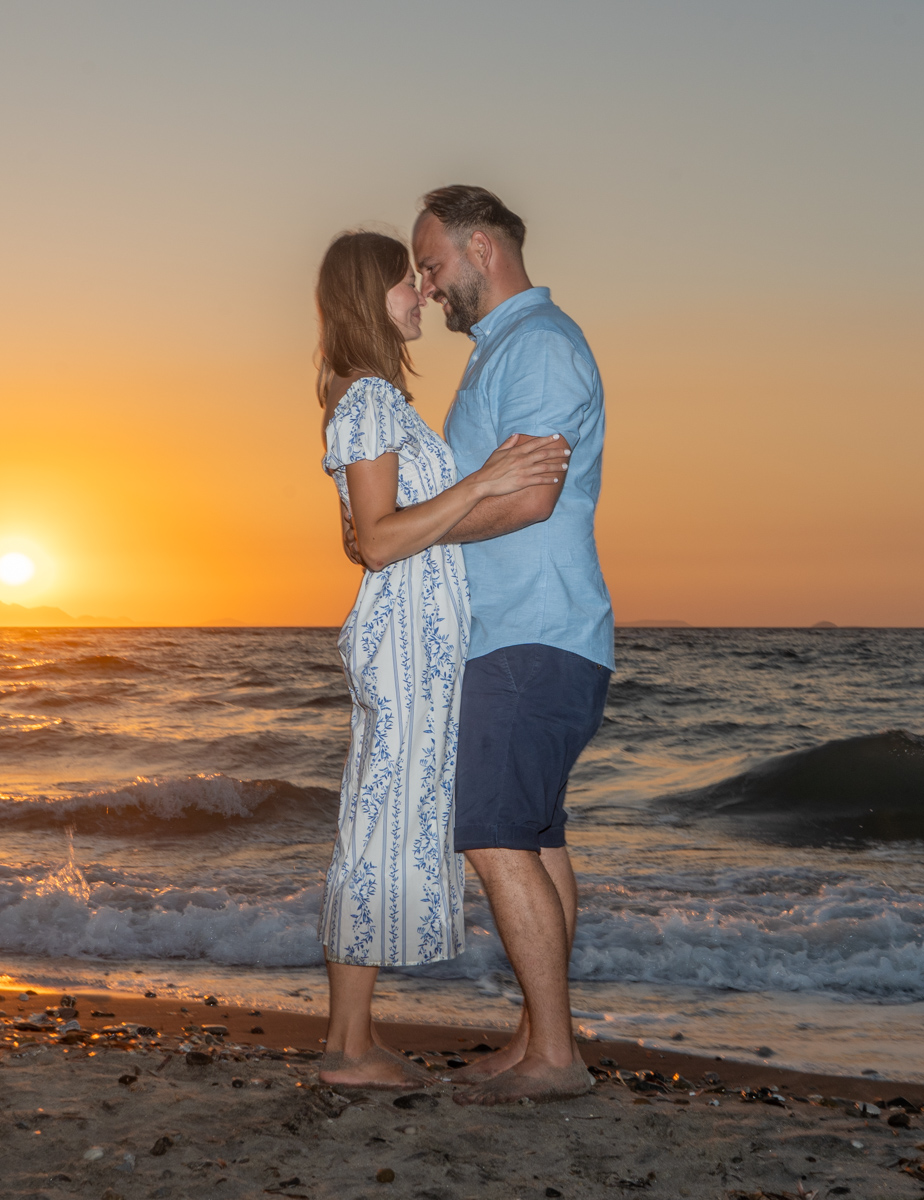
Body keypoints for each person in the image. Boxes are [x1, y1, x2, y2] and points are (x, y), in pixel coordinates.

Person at [313, 230, 571, 1089]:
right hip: (405, 640)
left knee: (378, 823)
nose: (420, 293)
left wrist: (468, 488)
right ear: (365, 296)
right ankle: (346, 1049)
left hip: (420, 638)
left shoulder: (375, 400)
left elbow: (363, 533)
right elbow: (382, 542)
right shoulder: (369, 403)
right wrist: (486, 482)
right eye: (404, 283)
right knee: (377, 828)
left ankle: (352, 1040)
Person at [413, 185, 616, 1106]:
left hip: (529, 635)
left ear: (481, 247)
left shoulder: (536, 347)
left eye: (433, 264)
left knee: (495, 838)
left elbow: (529, 495)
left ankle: (555, 1061)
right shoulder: (510, 350)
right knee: (535, 840)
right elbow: (503, 484)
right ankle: (544, 1039)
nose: (428, 284)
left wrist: (409, 532)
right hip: (529, 633)